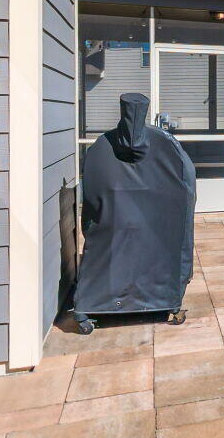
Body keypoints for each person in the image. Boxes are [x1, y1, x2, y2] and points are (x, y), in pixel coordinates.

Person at [72, 93, 196, 333]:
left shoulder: (102, 148)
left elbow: (91, 206)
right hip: (159, 240)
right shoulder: (167, 147)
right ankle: (163, 299)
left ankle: (96, 301)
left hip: (111, 233)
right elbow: (186, 197)